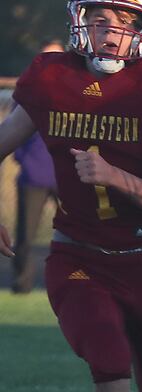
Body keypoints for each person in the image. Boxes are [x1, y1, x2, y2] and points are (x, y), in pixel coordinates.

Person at [0, 0, 142, 392]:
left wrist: (115, 177)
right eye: (100, 18)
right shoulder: (52, 77)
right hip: (79, 257)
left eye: (125, 22)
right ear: (80, 19)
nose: (111, 32)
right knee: (109, 360)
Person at [9, 39, 63, 294]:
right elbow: (11, 134)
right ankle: (22, 284)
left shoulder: (78, 91)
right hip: (34, 176)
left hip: (67, 176)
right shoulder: (29, 91)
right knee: (25, 238)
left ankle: (80, 283)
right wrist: (25, 161)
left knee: (82, 235)